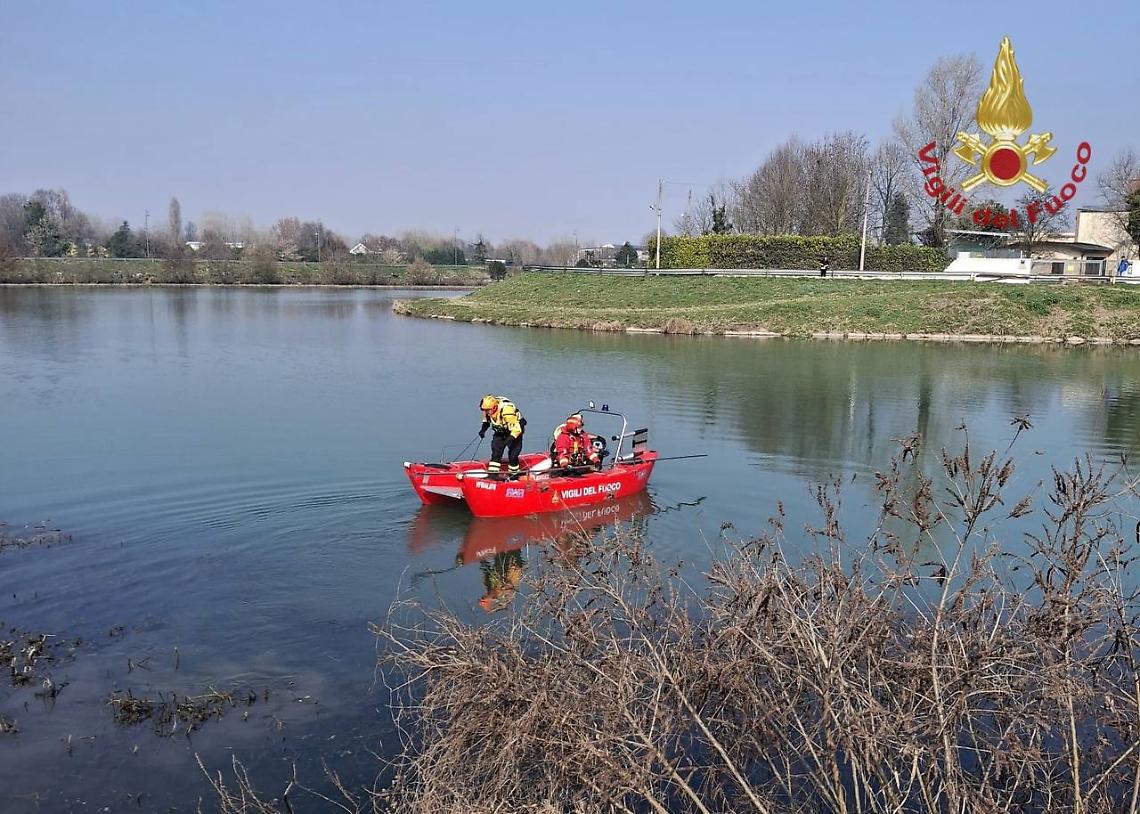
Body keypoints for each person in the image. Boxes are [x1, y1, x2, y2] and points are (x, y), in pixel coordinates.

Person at [479, 394, 526, 478]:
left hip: (514, 430)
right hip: (500, 430)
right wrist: (483, 430)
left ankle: (514, 475)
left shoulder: (507, 411)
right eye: (483, 410)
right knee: (496, 451)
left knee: (513, 455)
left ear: (494, 408)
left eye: (487, 410)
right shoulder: (487, 411)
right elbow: (486, 421)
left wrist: (506, 441)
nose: (485, 412)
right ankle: (493, 475)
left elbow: (516, 429)